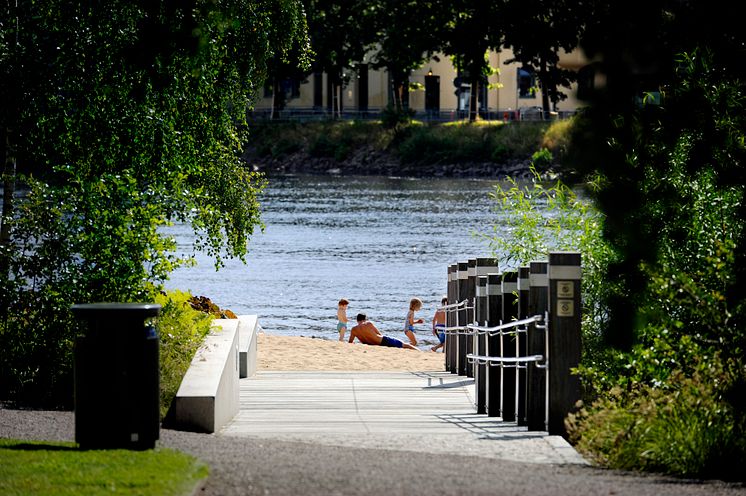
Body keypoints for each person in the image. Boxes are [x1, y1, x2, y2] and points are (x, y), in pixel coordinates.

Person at [349, 313, 418, 350]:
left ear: (357, 320)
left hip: (373, 344)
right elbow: (379, 333)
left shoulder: (353, 330)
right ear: (365, 319)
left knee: (404, 345)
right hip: (383, 341)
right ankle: (419, 351)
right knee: (406, 345)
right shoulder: (368, 324)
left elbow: (350, 342)